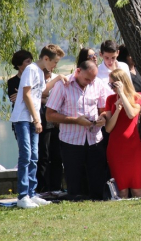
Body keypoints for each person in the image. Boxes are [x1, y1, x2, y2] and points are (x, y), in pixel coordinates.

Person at [11, 44, 66, 208]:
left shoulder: (41, 73)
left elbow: (42, 92)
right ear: (46, 58)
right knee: (26, 155)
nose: (55, 66)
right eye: (54, 62)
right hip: (23, 118)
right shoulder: (31, 69)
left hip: (33, 118)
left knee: (35, 155)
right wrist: (36, 118)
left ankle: (32, 193)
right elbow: (26, 94)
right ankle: (22, 196)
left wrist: (57, 78)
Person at [46, 60, 108, 200]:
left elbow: (103, 111)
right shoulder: (63, 85)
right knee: (75, 185)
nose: (89, 82)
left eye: (92, 79)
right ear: (78, 71)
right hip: (71, 141)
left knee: (97, 183)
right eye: (87, 79)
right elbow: (49, 115)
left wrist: (103, 118)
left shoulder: (97, 84)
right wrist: (76, 120)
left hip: (94, 140)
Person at [104, 69, 141, 198]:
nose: (111, 88)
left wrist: (122, 94)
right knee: (121, 190)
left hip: (133, 148)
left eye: (113, 85)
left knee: (137, 188)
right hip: (116, 149)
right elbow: (108, 129)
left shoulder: (138, 96)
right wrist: (116, 110)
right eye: (110, 84)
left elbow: (131, 113)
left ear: (122, 83)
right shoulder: (110, 99)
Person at [36, 68, 63, 193]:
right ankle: (43, 187)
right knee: (44, 155)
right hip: (43, 121)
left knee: (57, 155)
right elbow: (35, 96)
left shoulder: (57, 79)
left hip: (56, 122)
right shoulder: (37, 80)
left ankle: (57, 186)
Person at [7, 50, 33, 140]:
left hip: (34, 117)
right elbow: (14, 99)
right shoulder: (12, 82)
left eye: (31, 61)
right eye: (28, 61)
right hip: (20, 119)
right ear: (19, 64)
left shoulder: (34, 79)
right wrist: (26, 96)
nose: (31, 64)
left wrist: (21, 95)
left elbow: (41, 95)